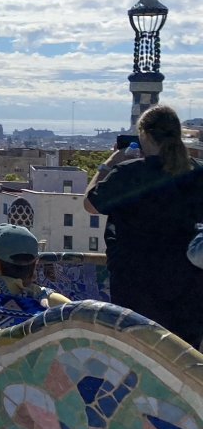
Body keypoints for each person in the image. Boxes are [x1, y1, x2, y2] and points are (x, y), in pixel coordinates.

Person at [86, 105, 203, 347]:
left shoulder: (129, 174)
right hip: (187, 288)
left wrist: (109, 164)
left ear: (145, 136)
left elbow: (90, 204)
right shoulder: (196, 174)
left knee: (135, 356)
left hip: (135, 284)